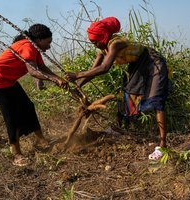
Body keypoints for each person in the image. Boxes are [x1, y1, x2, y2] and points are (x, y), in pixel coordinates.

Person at [65, 17, 169, 161]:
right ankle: (119, 129)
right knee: (126, 95)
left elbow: (104, 68)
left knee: (156, 100)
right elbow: (95, 69)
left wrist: (76, 75)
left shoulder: (116, 43)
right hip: (136, 65)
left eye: (96, 41)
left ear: (103, 36)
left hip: (152, 62)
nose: (95, 45)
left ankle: (162, 144)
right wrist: (79, 85)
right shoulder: (103, 48)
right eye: (92, 43)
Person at [0, 24, 67, 166]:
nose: (49, 46)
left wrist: (59, 79)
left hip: (8, 80)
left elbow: (43, 68)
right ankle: (16, 154)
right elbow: (33, 72)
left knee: (28, 106)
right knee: (11, 115)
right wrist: (55, 79)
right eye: (48, 42)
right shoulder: (27, 45)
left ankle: (42, 140)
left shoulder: (35, 49)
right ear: (39, 39)